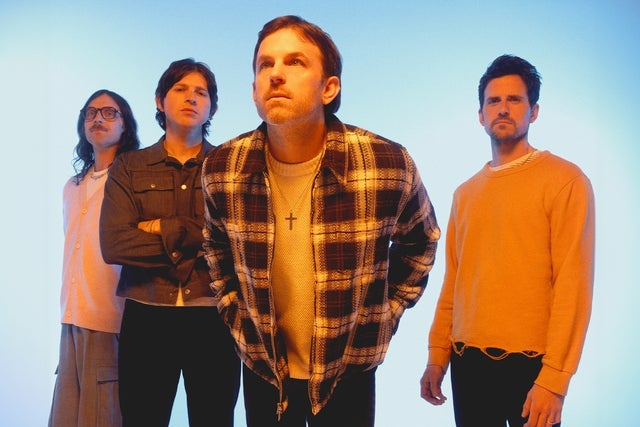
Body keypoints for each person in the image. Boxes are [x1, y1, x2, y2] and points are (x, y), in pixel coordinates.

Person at [202, 15, 440, 427]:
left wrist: (384, 315)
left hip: (348, 367)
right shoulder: (222, 167)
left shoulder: (386, 162)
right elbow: (215, 247)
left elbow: (422, 241)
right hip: (264, 368)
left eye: (295, 62)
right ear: (254, 90)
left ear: (329, 88)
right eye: (265, 64)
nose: (276, 74)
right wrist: (233, 312)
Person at [420, 54, 595, 427]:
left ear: (534, 112)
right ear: (480, 115)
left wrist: (554, 380)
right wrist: (437, 355)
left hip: (532, 368)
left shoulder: (565, 181)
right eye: (493, 101)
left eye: (514, 100)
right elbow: (454, 282)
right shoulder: (465, 193)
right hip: (466, 364)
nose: (502, 108)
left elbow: (573, 285)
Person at [99, 58, 240, 427]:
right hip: (146, 314)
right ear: (160, 101)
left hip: (214, 315)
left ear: (212, 108)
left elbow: (237, 241)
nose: (191, 98)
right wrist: (200, 238)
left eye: (201, 93)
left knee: (214, 419)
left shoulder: (229, 167)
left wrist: (160, 227)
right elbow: (114, 243)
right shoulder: (129, 167)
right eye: (180, 89)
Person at [49, 89, 140, 426]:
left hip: (110, 321)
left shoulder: (132, 182)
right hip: (71, 319)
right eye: (91, 112)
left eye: (109, 112)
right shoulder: (72, 186)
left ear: (125, 125)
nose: (98, 118)